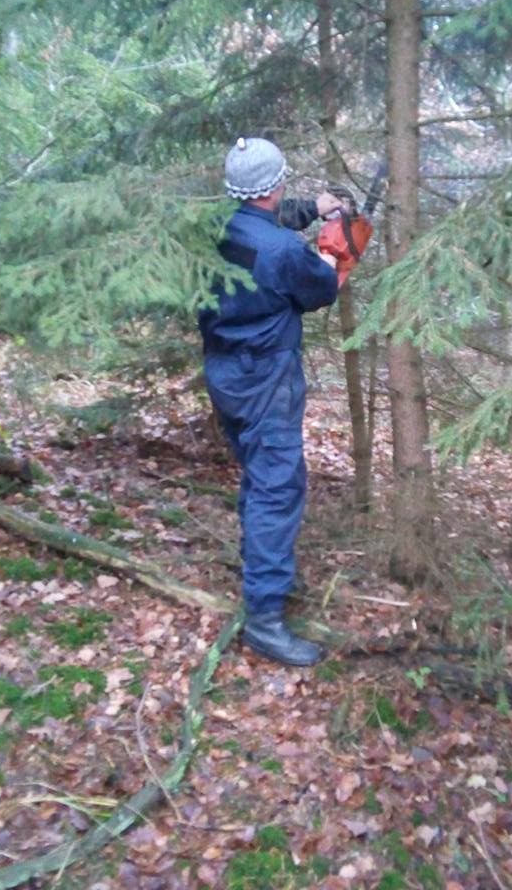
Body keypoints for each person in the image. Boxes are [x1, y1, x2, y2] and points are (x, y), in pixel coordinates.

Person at [198, 137, 342, 666]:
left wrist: (315, 208)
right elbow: (321, 287)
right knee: (277, 486)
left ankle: (262, 566)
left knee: (260, 474)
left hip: (225, 371)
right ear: (277, 184)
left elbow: (260, 225)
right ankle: (264, 617)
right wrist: (327, 250)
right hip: (267, 378)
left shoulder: (212, 229)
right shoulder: (285, 252)